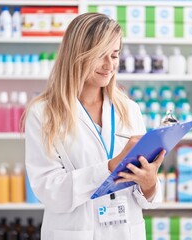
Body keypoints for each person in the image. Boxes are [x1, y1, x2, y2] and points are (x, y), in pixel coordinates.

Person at [24, 12, 165, 240]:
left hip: (126, 231)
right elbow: (50, 191)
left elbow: (144, 197)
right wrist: (110, 167)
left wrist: (149, 183)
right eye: (101, 56)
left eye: (115, 55)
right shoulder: (43, 114)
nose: (110, 65)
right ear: (77, 55)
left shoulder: (129, 110)